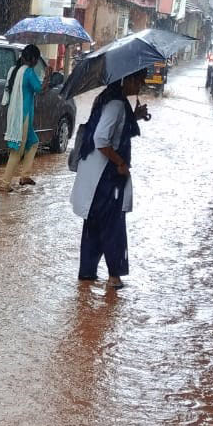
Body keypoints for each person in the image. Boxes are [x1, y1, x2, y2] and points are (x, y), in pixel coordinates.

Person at [70, 68, 149, 289]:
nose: (140, 85)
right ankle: (114, 277)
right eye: (139, 80)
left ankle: (87, 276)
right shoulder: (116, 104)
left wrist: (135, 116)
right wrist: (120, 163)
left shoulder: (109, 98)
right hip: (106, 176)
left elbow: (114, 131)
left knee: (94, 224)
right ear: (128, 78)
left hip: (94, 174)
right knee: (113, 225)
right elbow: (101, 139)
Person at [0, 43, 45, 193]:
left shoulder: (14, 70)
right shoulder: (28, 73)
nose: (36, 63)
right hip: (23, 116)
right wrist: (49, 76)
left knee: (33, 143)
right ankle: (5, 184)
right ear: (32, 59)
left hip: (17, 114)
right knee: (17, 151)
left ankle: (25, 175)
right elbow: (41, 90)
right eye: (37, 60)